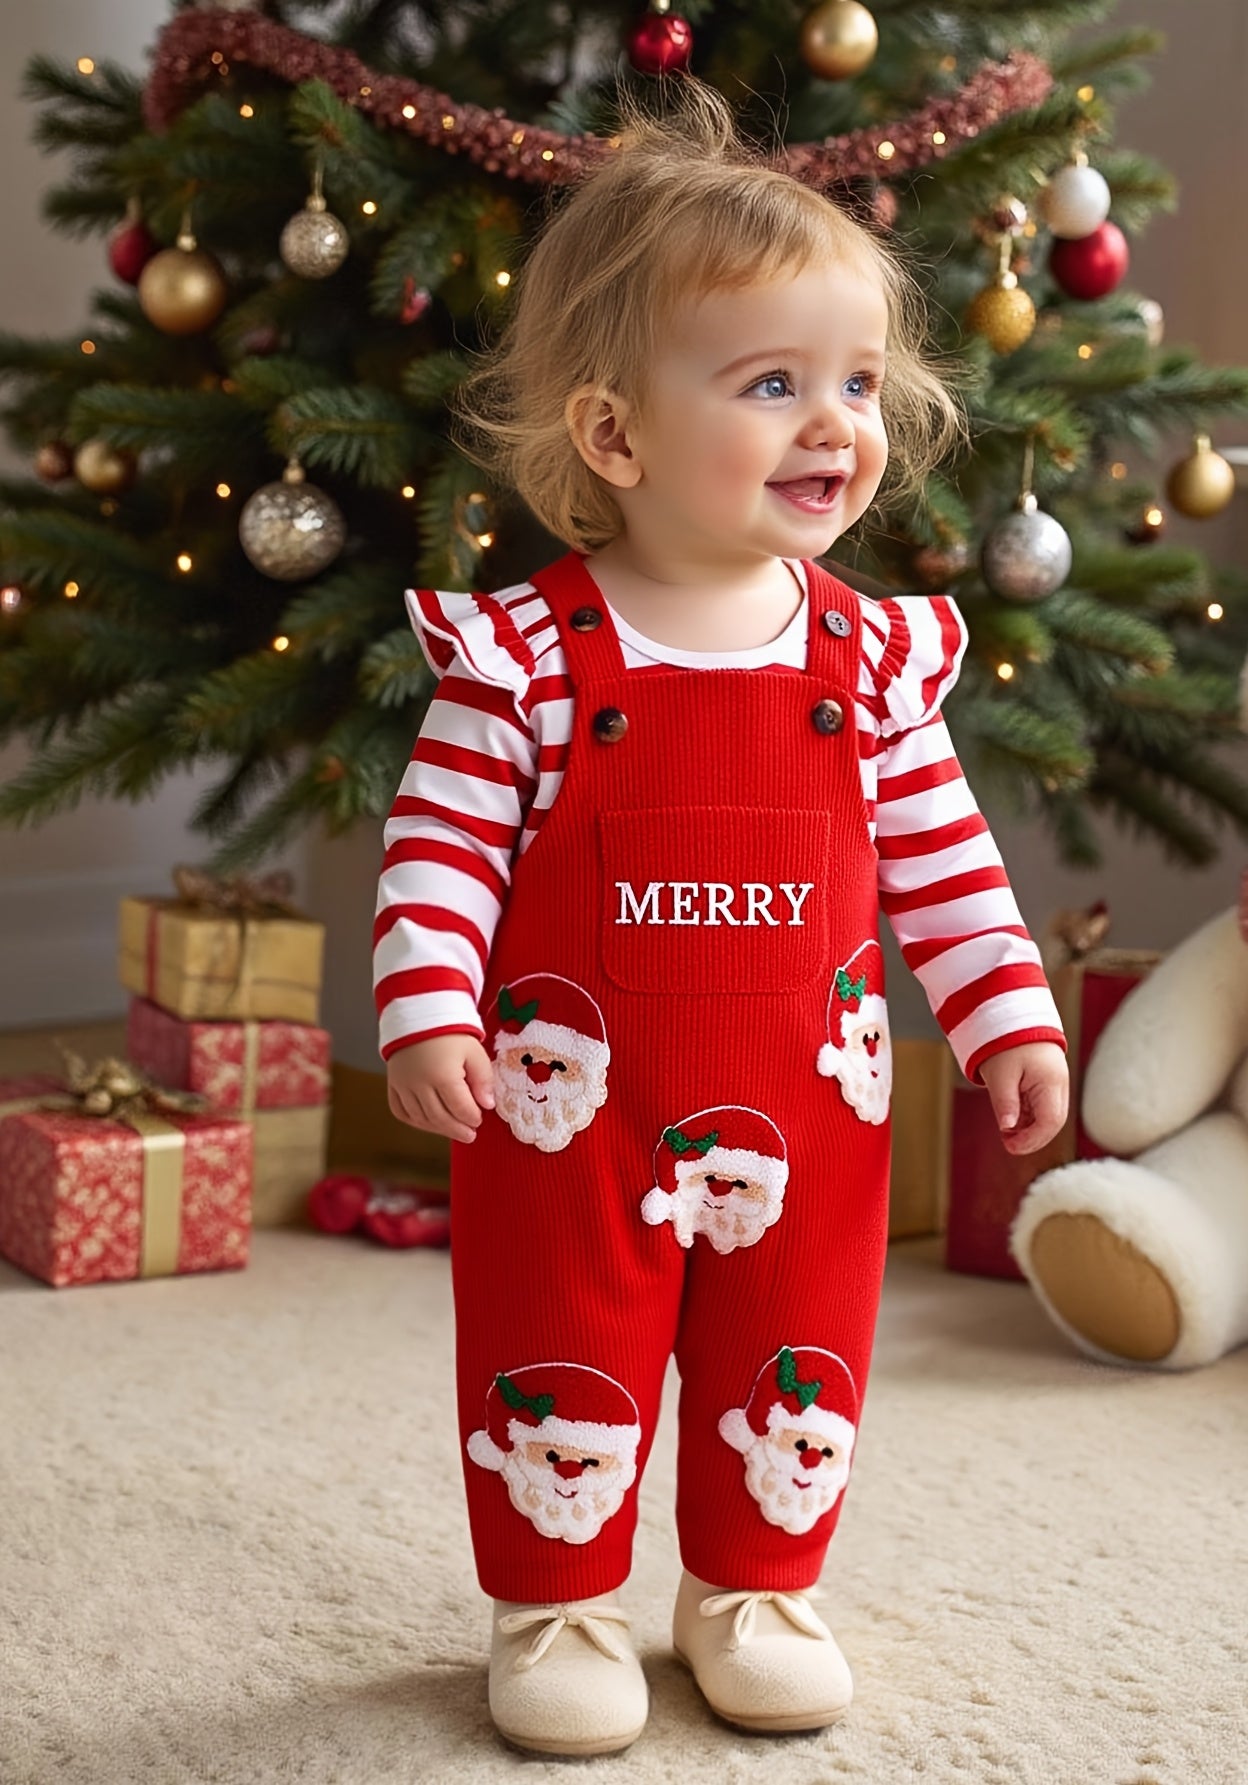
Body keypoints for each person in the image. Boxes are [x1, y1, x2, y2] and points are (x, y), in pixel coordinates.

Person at [373, 76, 1069, 1758]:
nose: (837, 423)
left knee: (796, 1354)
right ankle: (554, 1605)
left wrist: (1009, 1015)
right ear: (617, 438)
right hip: (571, 1118)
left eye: (855, 382)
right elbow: (440, 852)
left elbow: (945, 862)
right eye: (773, 386)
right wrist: (427, 1008)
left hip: (814, 1120)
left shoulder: (872, 662)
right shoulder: (530, 660)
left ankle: (751, 1585)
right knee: (565, 1350)